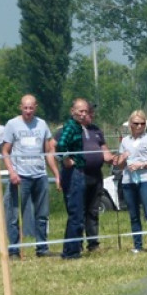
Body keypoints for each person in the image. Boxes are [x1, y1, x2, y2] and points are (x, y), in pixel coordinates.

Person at [1, 94, 59, 258]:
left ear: (36, 107)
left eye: (31, 108)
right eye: (25, 108)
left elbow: (48, 151)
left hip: (40, 175)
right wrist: (12, 172)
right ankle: (14, 250)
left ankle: (42, 248)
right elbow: (5, 151)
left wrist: (56, 174)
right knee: (14, 214)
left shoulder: (42, 124)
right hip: (20, 177)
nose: (28, 111)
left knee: (42, 214)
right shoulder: (12, 124)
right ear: (21, 107)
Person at [115, 110, 147, 254]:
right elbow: (120, 165)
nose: (139, 126)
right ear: (130, 124)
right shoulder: (125, 141)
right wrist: (122, 159)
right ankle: (137, 245)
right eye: (136, 123)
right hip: (128, 180)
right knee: (133, 214)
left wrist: (141, 164)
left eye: (142, 123)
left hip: (145, 179)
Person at [56, 98, 92, 259]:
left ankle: (72, 249)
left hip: (78, 172)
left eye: (85, 111)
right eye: (80, 111)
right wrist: (66, 158)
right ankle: (71, 252)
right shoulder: (71, 127)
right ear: (73, 111)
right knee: (76, 213)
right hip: (73, 173)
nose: (83, 114)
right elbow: (60, 144)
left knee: (77, 212)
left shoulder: (78, 126)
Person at [79, 102, 114, 253]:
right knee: (79, 211)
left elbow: (105, 152)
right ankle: (76, 243)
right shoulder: (70, 130)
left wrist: (116, 159)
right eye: (88, 112)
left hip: (95, 176)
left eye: (92, 113)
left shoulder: (96, 131)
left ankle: (93, 244)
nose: (91, 115)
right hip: (78, 176)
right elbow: (54, 147)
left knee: (93, 210)